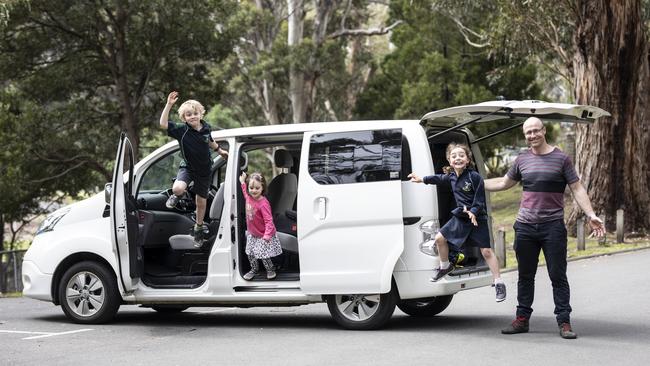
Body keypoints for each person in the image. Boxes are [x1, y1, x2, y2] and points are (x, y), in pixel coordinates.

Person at [484, 117, 606, 339]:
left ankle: (564, 322)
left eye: (535, 131)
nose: (532, 135)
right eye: (528, 132)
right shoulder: (522, 159)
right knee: (525, 276)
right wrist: (473, 182)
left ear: (544, 130)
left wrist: (590, 214)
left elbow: (577, 188)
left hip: (552, 228)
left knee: (558, 276)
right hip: (525, 227)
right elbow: (503, 183)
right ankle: (522, 320)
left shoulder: (561, 159)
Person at [408, 143, 506, 302]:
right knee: (439, 239)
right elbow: (438, 178)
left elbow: (480, 200)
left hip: (477, 219)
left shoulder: (475, 177)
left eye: (461, 155)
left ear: (467, 160)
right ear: (449, 160)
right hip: (460, 218)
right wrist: (421, 179)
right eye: (454, 156)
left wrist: (473, 212)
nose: (458, 158)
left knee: (486, 251)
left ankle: (498, 282)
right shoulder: (451, 176)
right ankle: (445, 266)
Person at [159, 91, 227, 244]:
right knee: (177, 188)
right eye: (189, 115)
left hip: (204, 171)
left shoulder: (206, 128)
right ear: (184, 118)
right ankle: (177, 195)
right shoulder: (181, 130)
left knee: (200, 203)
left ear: (201, 114)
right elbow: (163, 124)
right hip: (188, 168)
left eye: (195, 113)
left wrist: (220, 151)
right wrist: (169, 105)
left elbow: (209, 141)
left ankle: (199, 227)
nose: (193, 116)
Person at [240, 171, 283, 280]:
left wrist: (267, 236)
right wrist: (242, 182)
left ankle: (270, 269)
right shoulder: (249, 198)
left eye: (257, 188)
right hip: (253, 234)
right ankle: (254, 269)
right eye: (251, 188)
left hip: (263, 234)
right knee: (250, 253)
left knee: (263, 254)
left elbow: (269, 221)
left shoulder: (263, 203)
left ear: (262, 188)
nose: (253, 190)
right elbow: (245, 192)